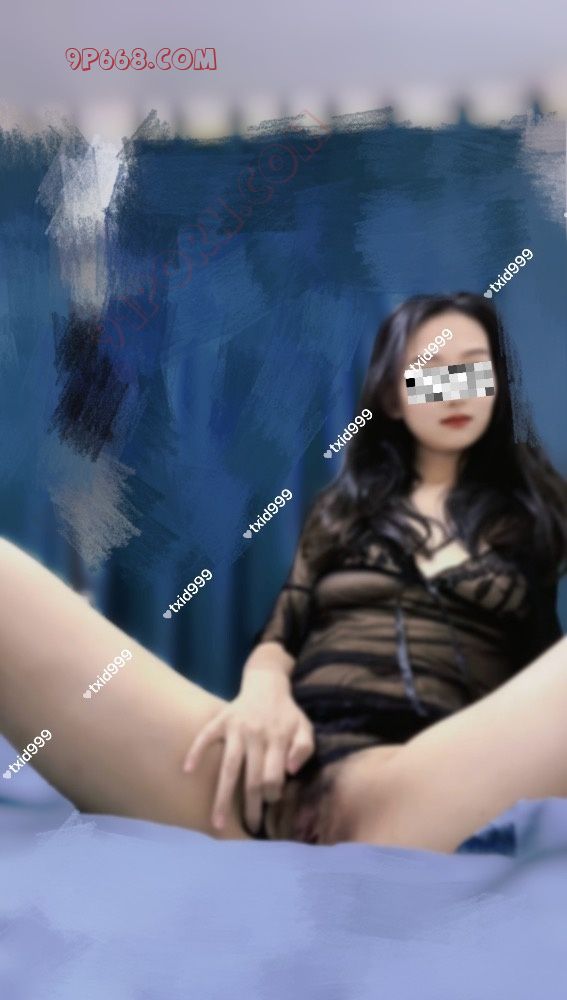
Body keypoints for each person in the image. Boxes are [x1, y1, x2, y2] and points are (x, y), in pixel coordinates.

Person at [0, 292, 565, 854]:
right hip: (255, 777)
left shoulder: (535, 516)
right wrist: (262, 693)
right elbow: (282, 633)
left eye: (474, 369)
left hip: (414, 792)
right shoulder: (342, 513)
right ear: (393, 397)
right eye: (431, 371)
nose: (456, 390)